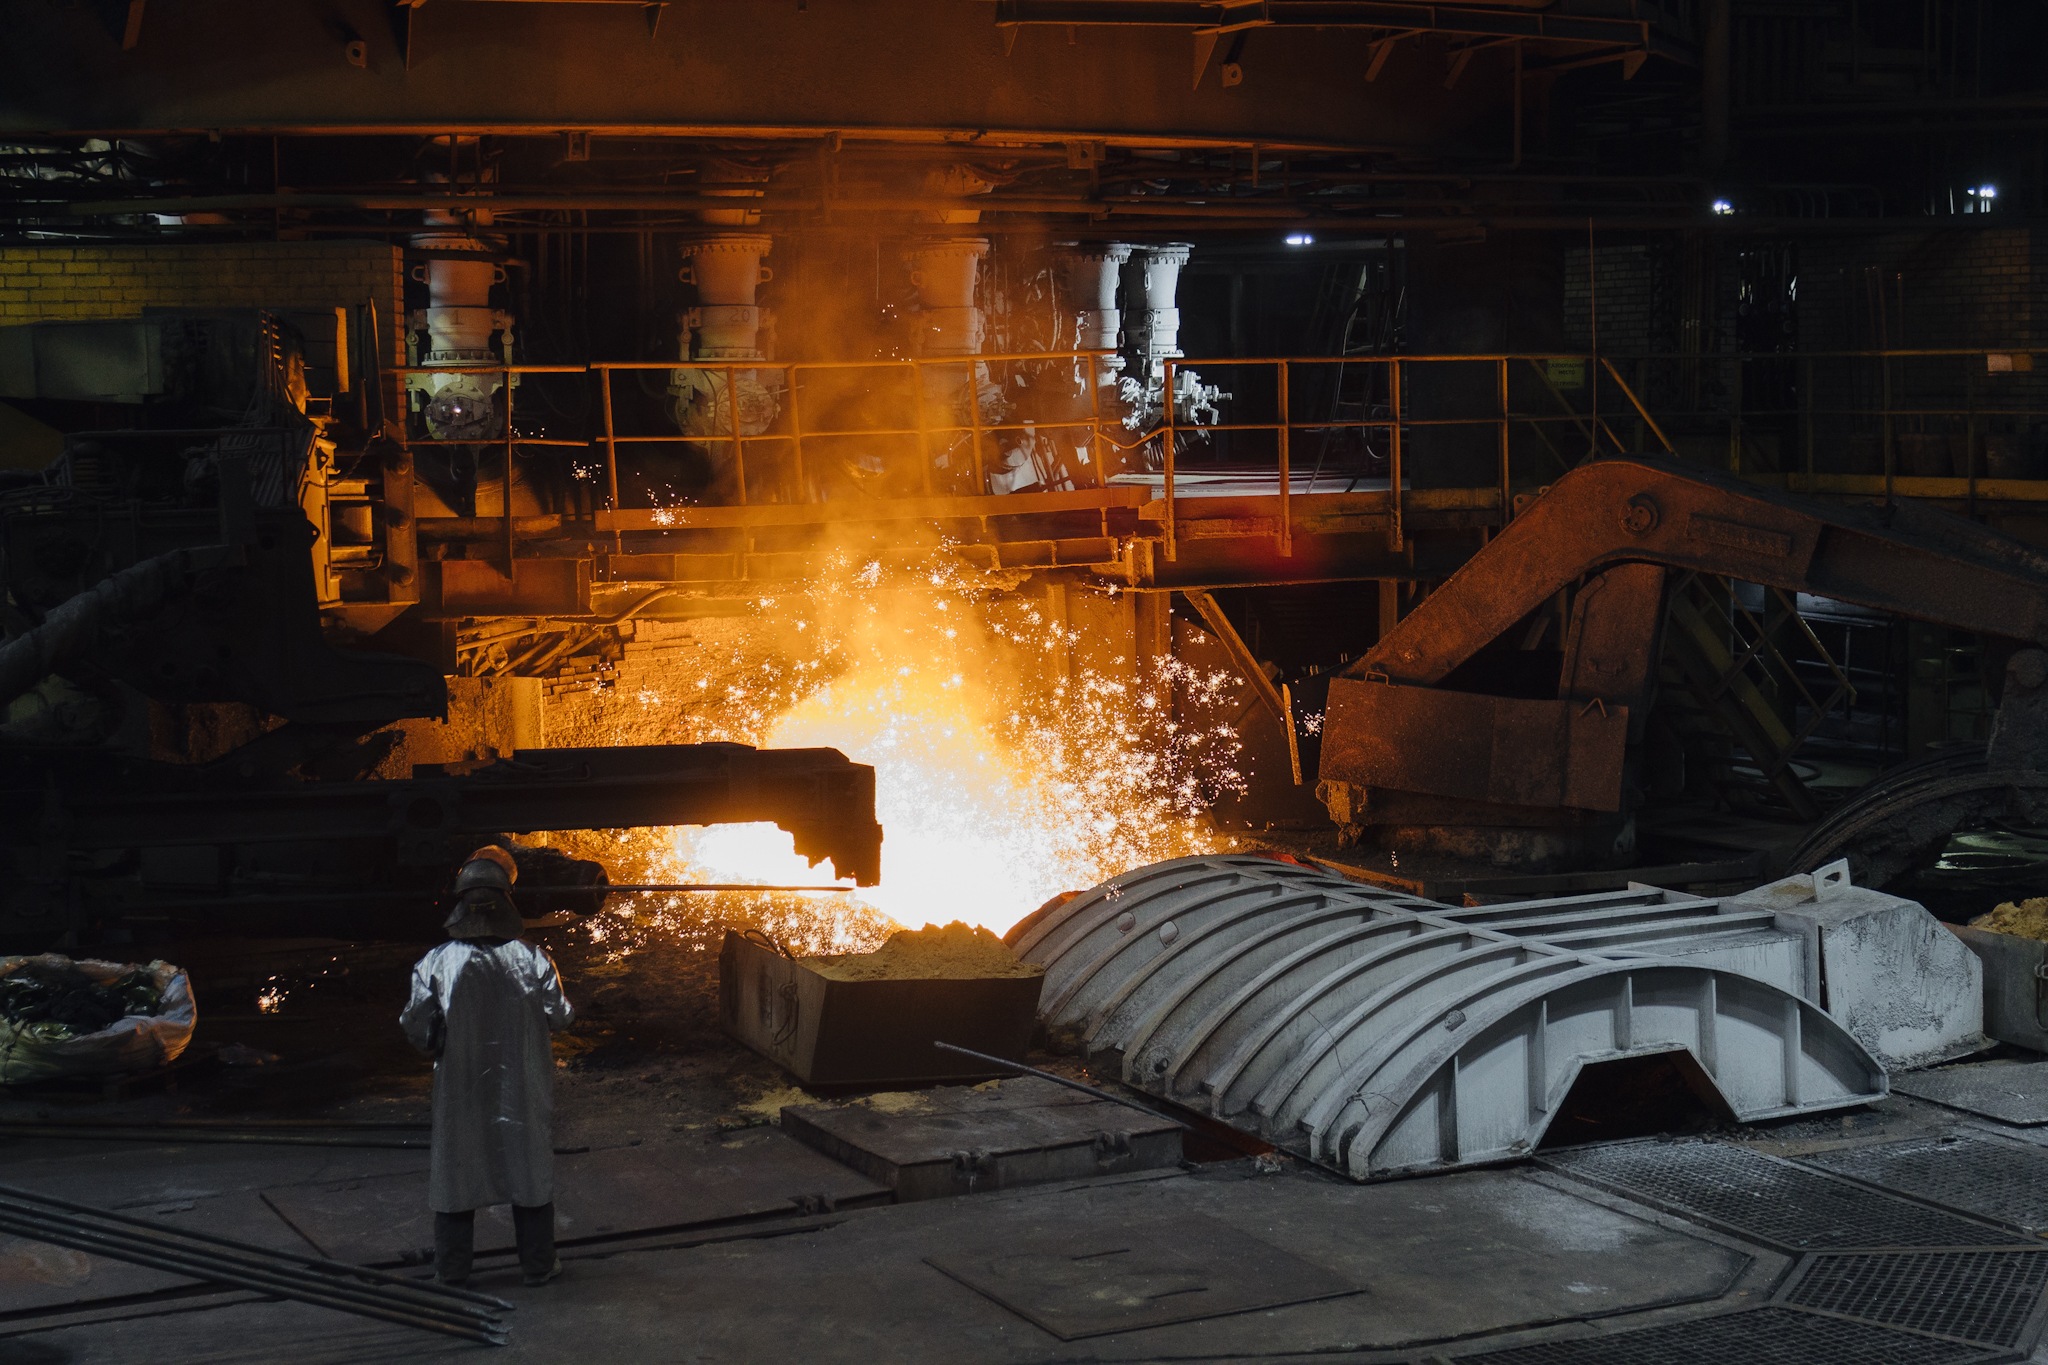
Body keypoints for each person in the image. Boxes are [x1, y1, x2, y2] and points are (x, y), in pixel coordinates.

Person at [400, 845, 574, 1287]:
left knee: (457, 1173)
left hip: (460, 1088)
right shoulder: (533, 958)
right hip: (522, 1086)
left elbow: (417, 1027)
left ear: (461, 904)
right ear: (507, 901)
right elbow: (562, 1016)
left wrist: (443, 1038)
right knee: (527, 1169)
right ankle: (537, 1265)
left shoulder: (435, 962)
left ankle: (452, 1270)